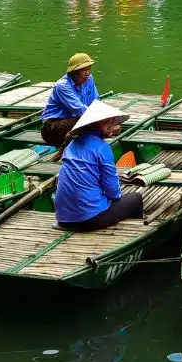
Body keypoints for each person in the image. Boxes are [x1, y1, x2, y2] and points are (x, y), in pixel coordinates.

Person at [53, 101, 143, 232]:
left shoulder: (71, 145)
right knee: (135, 199)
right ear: (93, 125)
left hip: (63, 218)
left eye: (112, 123)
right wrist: (114, 195)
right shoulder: (102, 148)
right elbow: (113, 192)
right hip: (89, 218)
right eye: (106, 123)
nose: (111, 127)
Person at [40, 53, 100, 148]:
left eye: (89, 69)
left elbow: (95, 102)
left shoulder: (89, 79)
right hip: (53, 125)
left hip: (76, 119)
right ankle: (66, 152)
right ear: (74, 72)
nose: (87, 73)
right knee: (84, 124)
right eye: (83, 70)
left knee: (97, 124)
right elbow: (79, 109)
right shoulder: (63, 86)